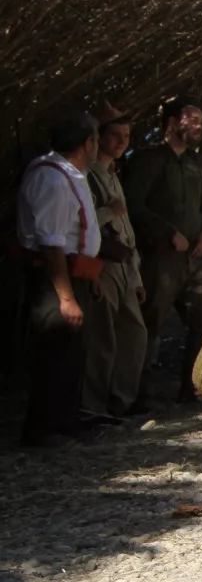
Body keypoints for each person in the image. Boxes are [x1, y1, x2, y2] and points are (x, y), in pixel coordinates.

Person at [123, 96, 202, 405]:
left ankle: (196, 388)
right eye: (192, 121)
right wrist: (166, 233)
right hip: (160, 256)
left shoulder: (195, 163)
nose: (198, 128)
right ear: (171, 123)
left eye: (200, 123)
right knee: (149, 320)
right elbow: (132, 204)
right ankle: (134, 393)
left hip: (195, 255)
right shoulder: (147, 160)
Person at [17, 111, 103, 446]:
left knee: (72, 353)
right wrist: (66, 297)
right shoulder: (52, 178)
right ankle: (45, 428)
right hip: (55, 278)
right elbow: (52, 244)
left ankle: (66, 421)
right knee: (54, 351)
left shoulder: (71, 175)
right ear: (87, 143)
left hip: (75, 272)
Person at [82, 102, 147, 420]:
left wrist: (135, 277)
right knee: (102, 337)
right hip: (101, 263)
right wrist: (110, 211)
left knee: (133, 333)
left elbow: (127, 231)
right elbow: (77, 223)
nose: (121, 142)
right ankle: (92, 406)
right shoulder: (85, 176)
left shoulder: (112, 174)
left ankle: (121, 400)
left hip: (123, 264)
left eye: (126, 135)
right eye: (115, 135)